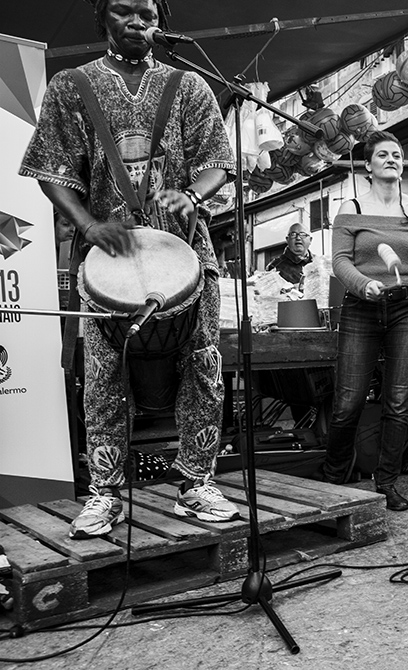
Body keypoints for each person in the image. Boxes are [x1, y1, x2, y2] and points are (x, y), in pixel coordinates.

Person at [20, 0, 239, 538]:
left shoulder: (189, 86)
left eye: (147, 12)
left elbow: (216, 163)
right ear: (103, 18)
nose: (138, 21)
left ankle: (197, 481)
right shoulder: (72, 85)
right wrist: (87, 227)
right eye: (124, 11)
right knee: (103, 376)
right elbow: (51, 170)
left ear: (160, 19)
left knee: (203, 365)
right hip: (106, 263)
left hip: (187, 256)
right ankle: (103, 493)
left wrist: (191, 193)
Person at [321, 131, 408, 512]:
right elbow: (339, 261)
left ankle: (386, 481)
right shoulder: (350, 206)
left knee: (400, 400)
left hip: (407, 308)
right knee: (348, 401)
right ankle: (334, 476)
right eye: (383, 154)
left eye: (397, 154)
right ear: (368, 165)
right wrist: (363, 283)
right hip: (362, 307)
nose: (392, 159)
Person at [266, 222, 313, 286]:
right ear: (287, 239)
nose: (298, 238)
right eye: (293, 234)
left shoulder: (319, 263)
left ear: (310, 240)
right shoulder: (275, 266)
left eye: (303, 234)